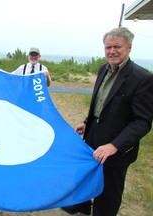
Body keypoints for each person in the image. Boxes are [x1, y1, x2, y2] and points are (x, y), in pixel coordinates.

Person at [62, 27, 153, 216]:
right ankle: (82, 205)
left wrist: (113, 146)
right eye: (107, 47)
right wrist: (88, 122)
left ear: (129, 47)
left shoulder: (142, 78)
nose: (111, 51)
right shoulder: (103, 68)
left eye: (117, 46)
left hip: (117, 147)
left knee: (109, 192)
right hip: (93, 135)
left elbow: (142, 121)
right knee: (86, 175)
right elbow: (101, 102)